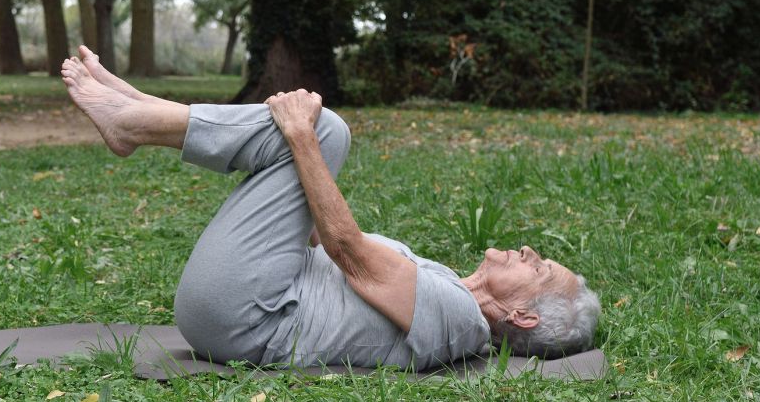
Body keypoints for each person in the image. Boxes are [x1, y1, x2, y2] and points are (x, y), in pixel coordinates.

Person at [61, 46, 601, 370]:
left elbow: (345, 248)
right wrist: (303, 148)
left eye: (541, 268)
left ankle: (134, 120)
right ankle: (137, 112)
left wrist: (300, 135)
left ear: (522, 316)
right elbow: (321, 235)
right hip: (248, 300)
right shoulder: (446, 285)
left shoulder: (462, 322)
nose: (531, 252)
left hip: (245, 318)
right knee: (324, 135)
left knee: (321, 130)